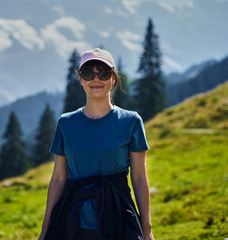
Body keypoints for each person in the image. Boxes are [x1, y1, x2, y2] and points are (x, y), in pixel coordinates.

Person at [39, 48, 154, 240]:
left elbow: (140, 178)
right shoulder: (65, 123)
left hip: (118, 218)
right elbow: (58, 178)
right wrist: (45, 231)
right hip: (73, 220)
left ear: (113, 79)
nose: (96, 79)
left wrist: (147, 229)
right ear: (81, 79)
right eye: (88, 73)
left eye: (103, 73)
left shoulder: (131, 121)